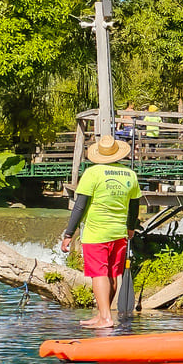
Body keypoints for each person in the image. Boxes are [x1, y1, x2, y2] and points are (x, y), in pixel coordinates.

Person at [59, 133, 143, 329]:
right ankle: (101, 315)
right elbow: (134, 205)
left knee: (99, 274)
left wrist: (69, 234)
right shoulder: (130, 175)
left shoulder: (93, 173)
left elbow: (79, 206)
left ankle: (105, 318)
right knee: (113, 274)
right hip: (119, 232)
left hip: (96, 233)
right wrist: (131, 227)